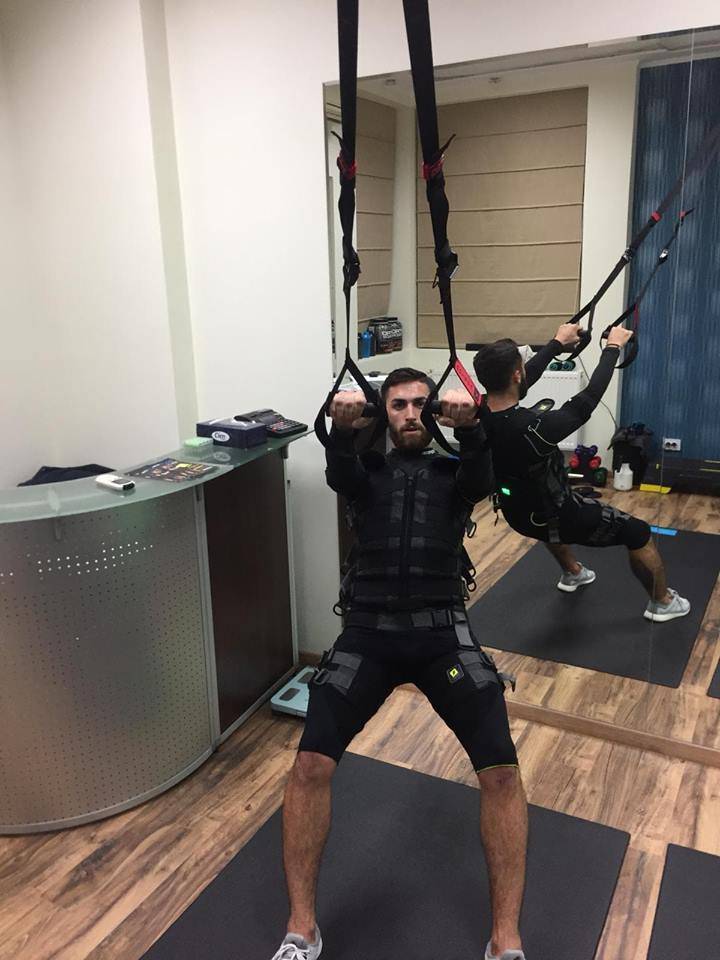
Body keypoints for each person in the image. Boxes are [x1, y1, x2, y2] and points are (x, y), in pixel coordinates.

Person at [271, 368, 528, 960]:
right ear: (384, 415)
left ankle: (506, 941)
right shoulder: (366, 474)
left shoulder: (454, 473)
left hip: (443, 638)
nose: (410, 414)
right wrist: (340, 429)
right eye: (398, 406)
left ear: (433, 412)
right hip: (369, 636)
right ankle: (300, 930)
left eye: (420, 404)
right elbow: (339, 472)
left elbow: (482, 477)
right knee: (309, 765)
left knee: (502, 773)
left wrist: (473, 429)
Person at [473, 324, 690, 622]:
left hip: (519, 514)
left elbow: (523, 378)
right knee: (638, 532)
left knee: (544, 507)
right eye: (522, 368)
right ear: (516, 375)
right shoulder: (535, 428)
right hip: (561, 516)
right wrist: (612, 348)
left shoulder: (477, 413)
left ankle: (573, 572)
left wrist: (557, 343)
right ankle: (663, 602)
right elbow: (588, 399)